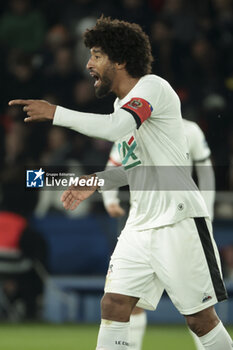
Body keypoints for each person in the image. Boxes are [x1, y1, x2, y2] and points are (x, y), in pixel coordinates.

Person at [9, 16, 232, 350]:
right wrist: (97, 180)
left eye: (97, 55)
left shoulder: (153, 88)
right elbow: (136, 169)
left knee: (200, 321)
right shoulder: (121, 105)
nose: (89, 64)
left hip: (179, 219)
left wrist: (56, 113)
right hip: (140, 225)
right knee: (114, 305)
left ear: (121, 60)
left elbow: (114, 128)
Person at [102, 119, 216, 350]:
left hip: (182, 226)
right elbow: (114, 166)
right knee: (123, 302)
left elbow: (205, 171)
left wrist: (207, 212)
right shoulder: (127, 129)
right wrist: (110, 199)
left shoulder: (189, 130)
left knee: (199, 314)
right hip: (140, 227)